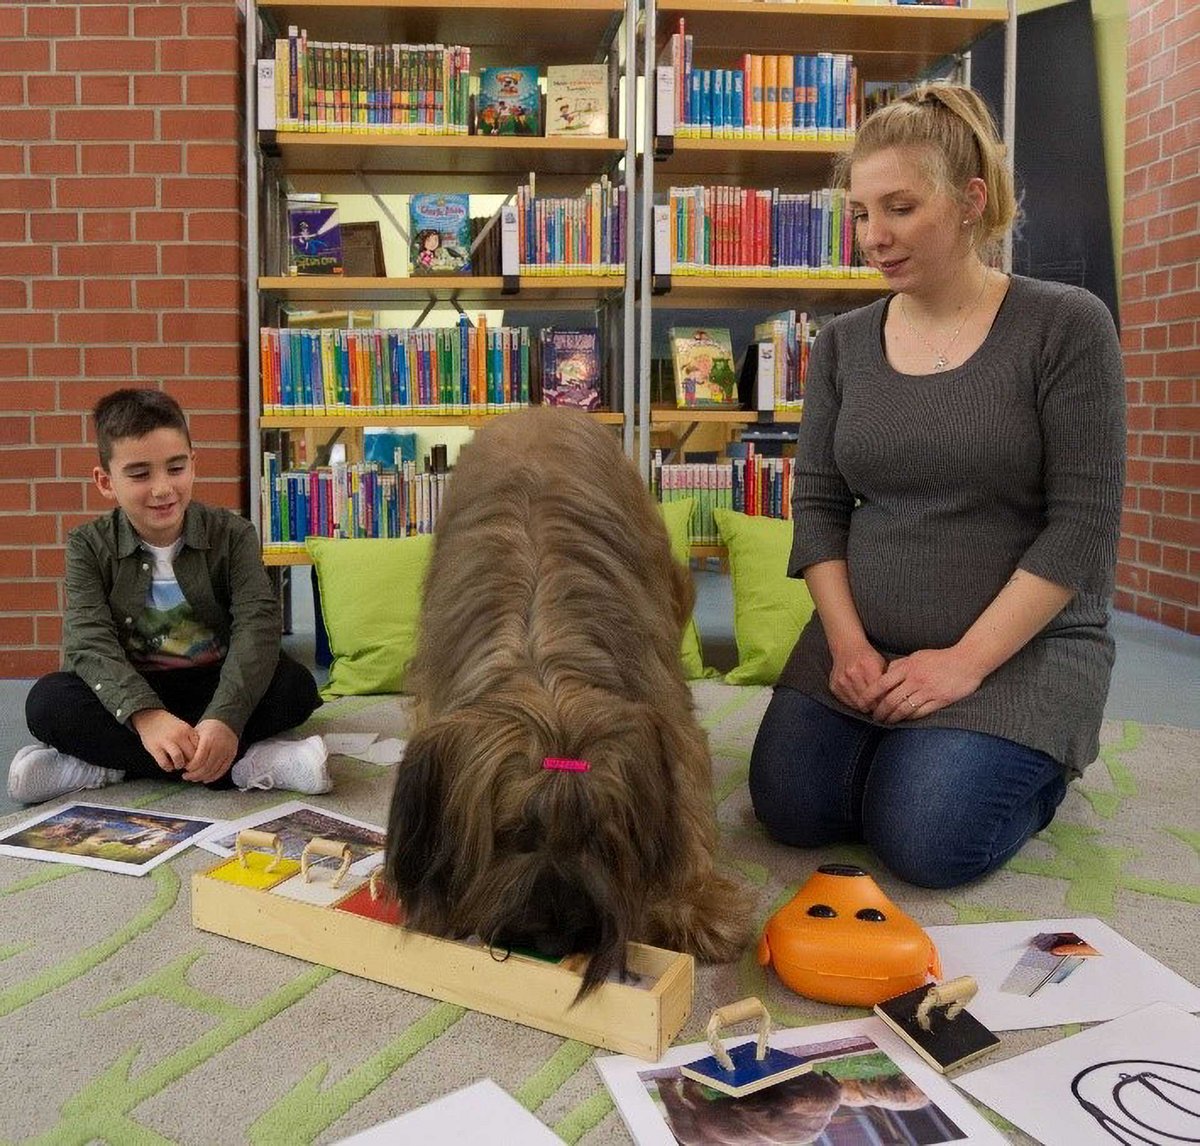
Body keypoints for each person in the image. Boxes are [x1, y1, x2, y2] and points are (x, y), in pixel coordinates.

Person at [748, 83, 1125, 889]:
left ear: (969, 202)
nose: (873, 238)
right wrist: (846, 645)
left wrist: (960, 665)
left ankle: (1038, 761)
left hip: (1013, 655)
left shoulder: (1066, 325)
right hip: (864, 649)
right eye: (859, 214)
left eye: (899, 208)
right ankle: (907, 749)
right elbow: (816, 505)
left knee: (928, 839)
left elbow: (1082, 525)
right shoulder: (844, 344)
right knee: (789, 808)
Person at [8, 388, 328, 804]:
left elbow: (257, 626)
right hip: (132, 693)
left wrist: (225, 719)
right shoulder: (87, 545)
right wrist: (147, 717)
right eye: (140, 475)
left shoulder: (233, 534)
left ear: (193, 465)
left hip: (213, 685)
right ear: (106, 482)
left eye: (175, 468)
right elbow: (88, 641)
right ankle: (250, 765)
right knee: (48, 703)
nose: (163, 489)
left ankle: (104, 765)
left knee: (294, 685)